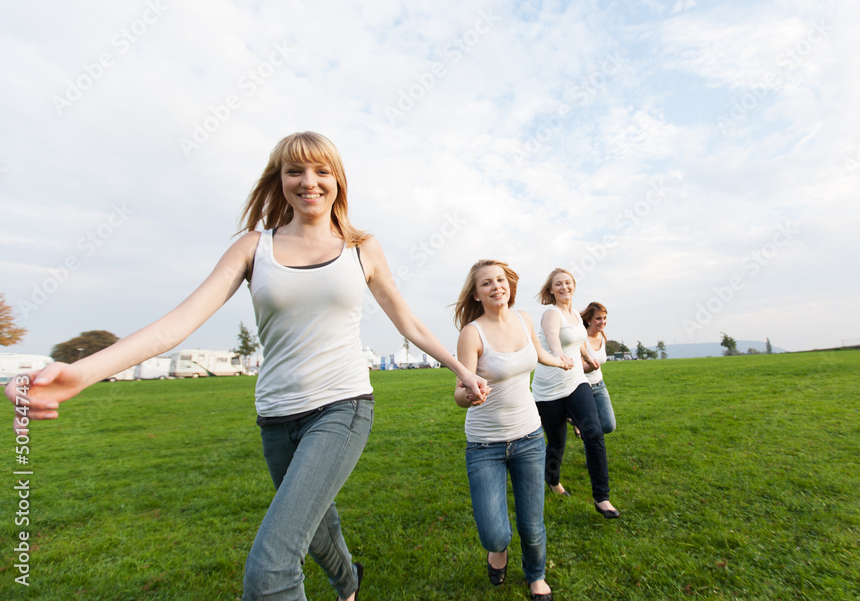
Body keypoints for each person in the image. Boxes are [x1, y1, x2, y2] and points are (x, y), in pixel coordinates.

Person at [5, 131, 490, 601]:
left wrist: (460, 369)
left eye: (322, 170)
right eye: (294, 170)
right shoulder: (252, 248)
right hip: (276, 418)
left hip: (342, 408)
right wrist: (83, 373)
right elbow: (177, 325)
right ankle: (350, 582)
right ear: (277, 180)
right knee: (318, 527)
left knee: (271, 569)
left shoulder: (360, 247)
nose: (309, 181)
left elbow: (410, 324)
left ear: (338, 180)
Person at [452, 259, 570, 601]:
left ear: (509, 285)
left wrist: (558, 360)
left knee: (532, 525)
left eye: (500, 280)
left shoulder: (524, 319)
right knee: (494, 534)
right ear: (476, 293)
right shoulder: (471, 334)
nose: (496, 287)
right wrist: (469, 394)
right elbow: (460, 391)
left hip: (530, 438)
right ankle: (497, 551)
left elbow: (534, 353)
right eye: (486, 283)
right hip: (484, 445)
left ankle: (536, 576)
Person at [531, 269, 620, 519]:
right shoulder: (551, 313)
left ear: (574, 286)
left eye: (567, 283)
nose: (564, 287)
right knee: (557, 443)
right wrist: (558, 354)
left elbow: (579, 339)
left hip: (576, 382)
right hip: (548, 390)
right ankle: (552, 479)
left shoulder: (574, 314)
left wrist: (589, 357)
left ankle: (602, 497)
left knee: (593, 432)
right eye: (558, 284)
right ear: (551, 290)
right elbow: (553, 337)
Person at [580, 302, 616, 435]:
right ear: (589, 320)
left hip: (600, 385)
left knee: (608, 425)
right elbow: (577, 367)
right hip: (584, 387)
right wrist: (589, 367)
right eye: (598, 318)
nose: (603, 322)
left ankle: (577, 421)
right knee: (591, 429)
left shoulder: (602, 336)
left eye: (604, 318)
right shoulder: (582, 338)